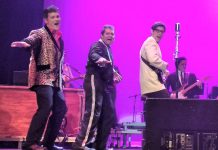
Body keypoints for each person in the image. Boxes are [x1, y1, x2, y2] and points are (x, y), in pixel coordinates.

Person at [11, 6, 67, 150]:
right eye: (53, 17)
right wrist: (25, 43)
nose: (57, 19)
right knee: (46, 106)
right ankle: (30, 143)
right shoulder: (40, 33)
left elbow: (58, 60)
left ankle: (48, 143)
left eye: (58, 17)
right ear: (46, 20)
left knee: (61, 109)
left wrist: (63, 74)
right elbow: (32, 39)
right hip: (42, 77)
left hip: (55, 80)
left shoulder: (59, 38)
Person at [72, 25, 122, 150]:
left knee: (108, 114)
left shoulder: (108, 49)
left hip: (104, 84)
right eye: (108, 34)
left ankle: (100, 146)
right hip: (95, 80)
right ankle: (80, 144)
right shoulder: (97, 45)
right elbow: (93, 54)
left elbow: (108, 66)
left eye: (112, 34)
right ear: (102, 35)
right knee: (93, 112)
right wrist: (99, 59)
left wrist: (114, 74)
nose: (110, 36)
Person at [139, 22, 170, 99]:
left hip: (150, 84)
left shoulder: (153, 43)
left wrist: (163, 72)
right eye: (157, 31)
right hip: (152, 84)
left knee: (154, 109)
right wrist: (164, 65)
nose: (159, 33)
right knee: (167, 104)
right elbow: (153, 60)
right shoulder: (150, 41)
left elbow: (151, 63)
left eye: (162, 32)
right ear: (151, 31)